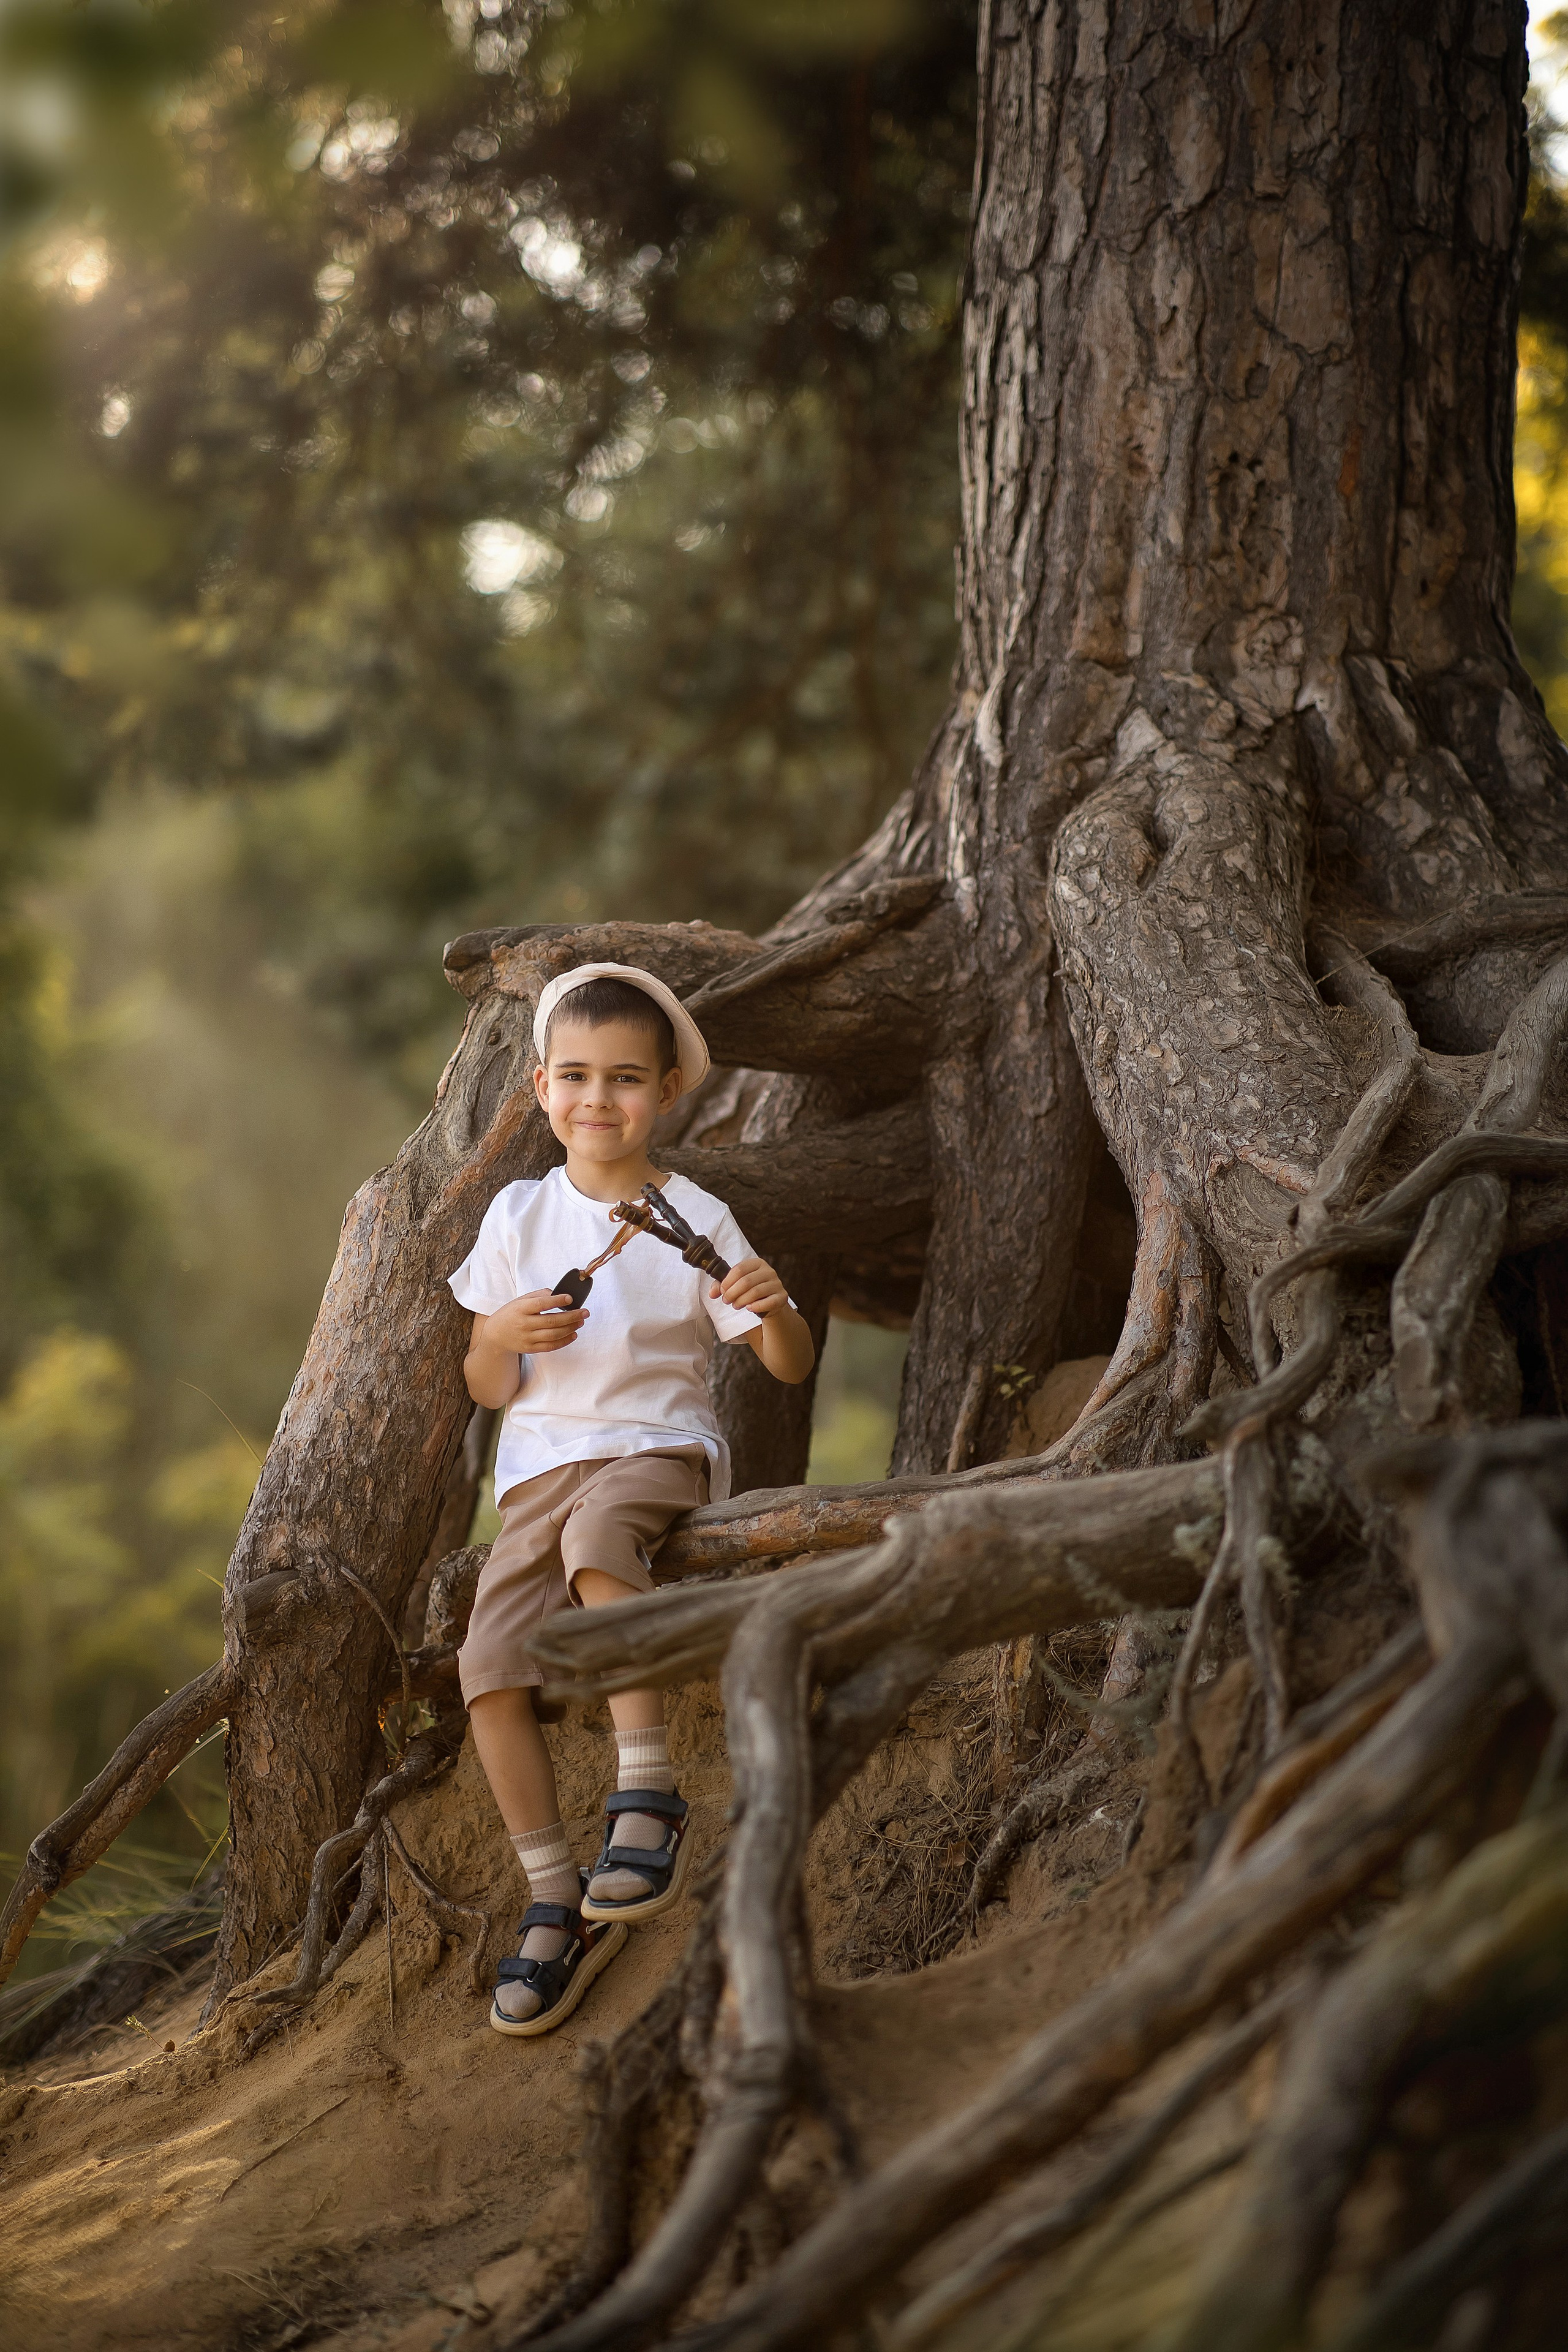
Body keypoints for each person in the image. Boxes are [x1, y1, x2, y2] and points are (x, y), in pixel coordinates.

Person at [448, 962, 816, 2037]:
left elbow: (785, 1362)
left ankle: (646, 1795)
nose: (597, 1100)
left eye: (623, 1079)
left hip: (657, 1447)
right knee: (487, 1668)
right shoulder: (518, 1217)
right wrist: (504, 1340)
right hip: (538, 1472)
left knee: (604, 1541)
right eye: (574, 1076)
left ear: (666, 1093)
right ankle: (554, 1894)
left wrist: (772, 1303)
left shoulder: (695, 1215)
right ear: (539, 1087)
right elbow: (485, 1380)